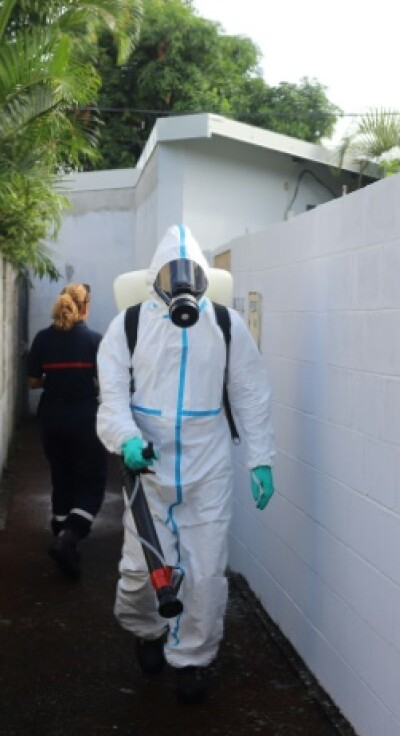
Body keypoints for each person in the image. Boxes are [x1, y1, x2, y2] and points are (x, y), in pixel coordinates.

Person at [97, 224, 276, 704]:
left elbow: (251, 394)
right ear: (154, 279)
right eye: (171, 274)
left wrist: (261, 459)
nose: (181, 283)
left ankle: (193, 661)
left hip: (207, 464)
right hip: (147, 466)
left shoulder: (225, 325)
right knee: (141, 571)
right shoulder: (128, 326)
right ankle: (148, 630)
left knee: (204, 571)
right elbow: (111, 400)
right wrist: (127, 441)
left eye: (190, 273)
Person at [27, 282, 107, 579]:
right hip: (85, 417)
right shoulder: (95, 342)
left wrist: (56, 379)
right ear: (85, 307)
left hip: (51, 418)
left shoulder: (43, 339)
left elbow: (33, 382)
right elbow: (106, 383)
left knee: (61, 478)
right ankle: (69, 537)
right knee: (92, 480)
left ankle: (63, 542)